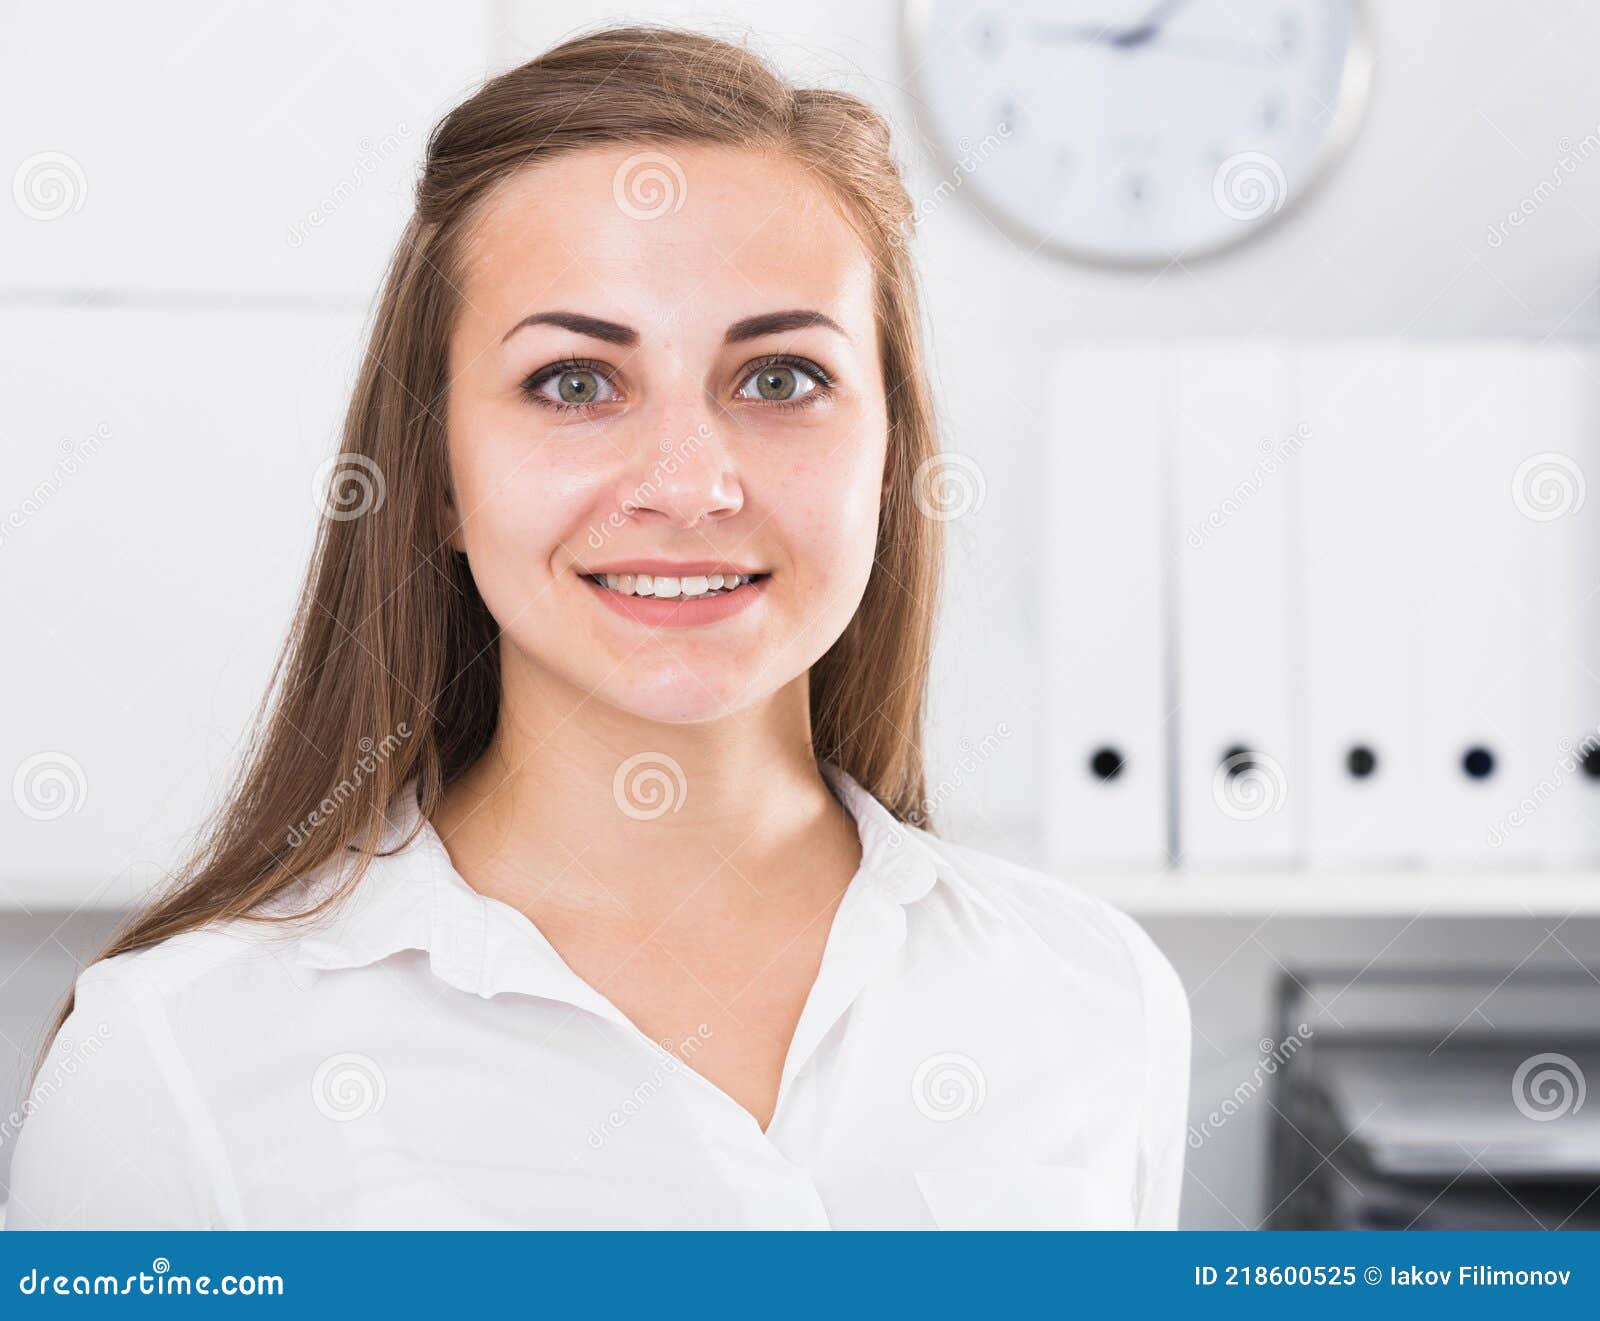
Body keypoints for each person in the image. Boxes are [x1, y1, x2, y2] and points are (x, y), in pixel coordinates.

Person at [6, 23, 1190, 1231]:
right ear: (435, 477)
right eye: (575, 382)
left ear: (893, 458)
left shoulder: (1095, 998)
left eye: (779, 378)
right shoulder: (171, 1059)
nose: (687, 485)